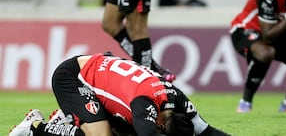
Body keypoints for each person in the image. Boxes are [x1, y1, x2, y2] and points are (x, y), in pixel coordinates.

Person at [9, 52, 231, 136]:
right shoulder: (144, 105)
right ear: (161, 126)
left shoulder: (177, 97)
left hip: (101, 74)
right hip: (74, 77)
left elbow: (207, 131)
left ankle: (70, 120)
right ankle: (34, 127)